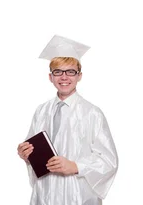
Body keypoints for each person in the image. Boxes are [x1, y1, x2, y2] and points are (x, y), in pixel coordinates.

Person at [16, 35, 119, 205]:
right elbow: (35, 152)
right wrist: (26, 154)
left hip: (78, 195)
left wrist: (76, 166)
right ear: (51, 77)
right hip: (45, 192)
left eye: (70, 71)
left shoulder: (92, 113)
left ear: (79, 76)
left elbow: (109, 160)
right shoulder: (41, 111)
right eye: (58, 72)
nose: (64, 77)